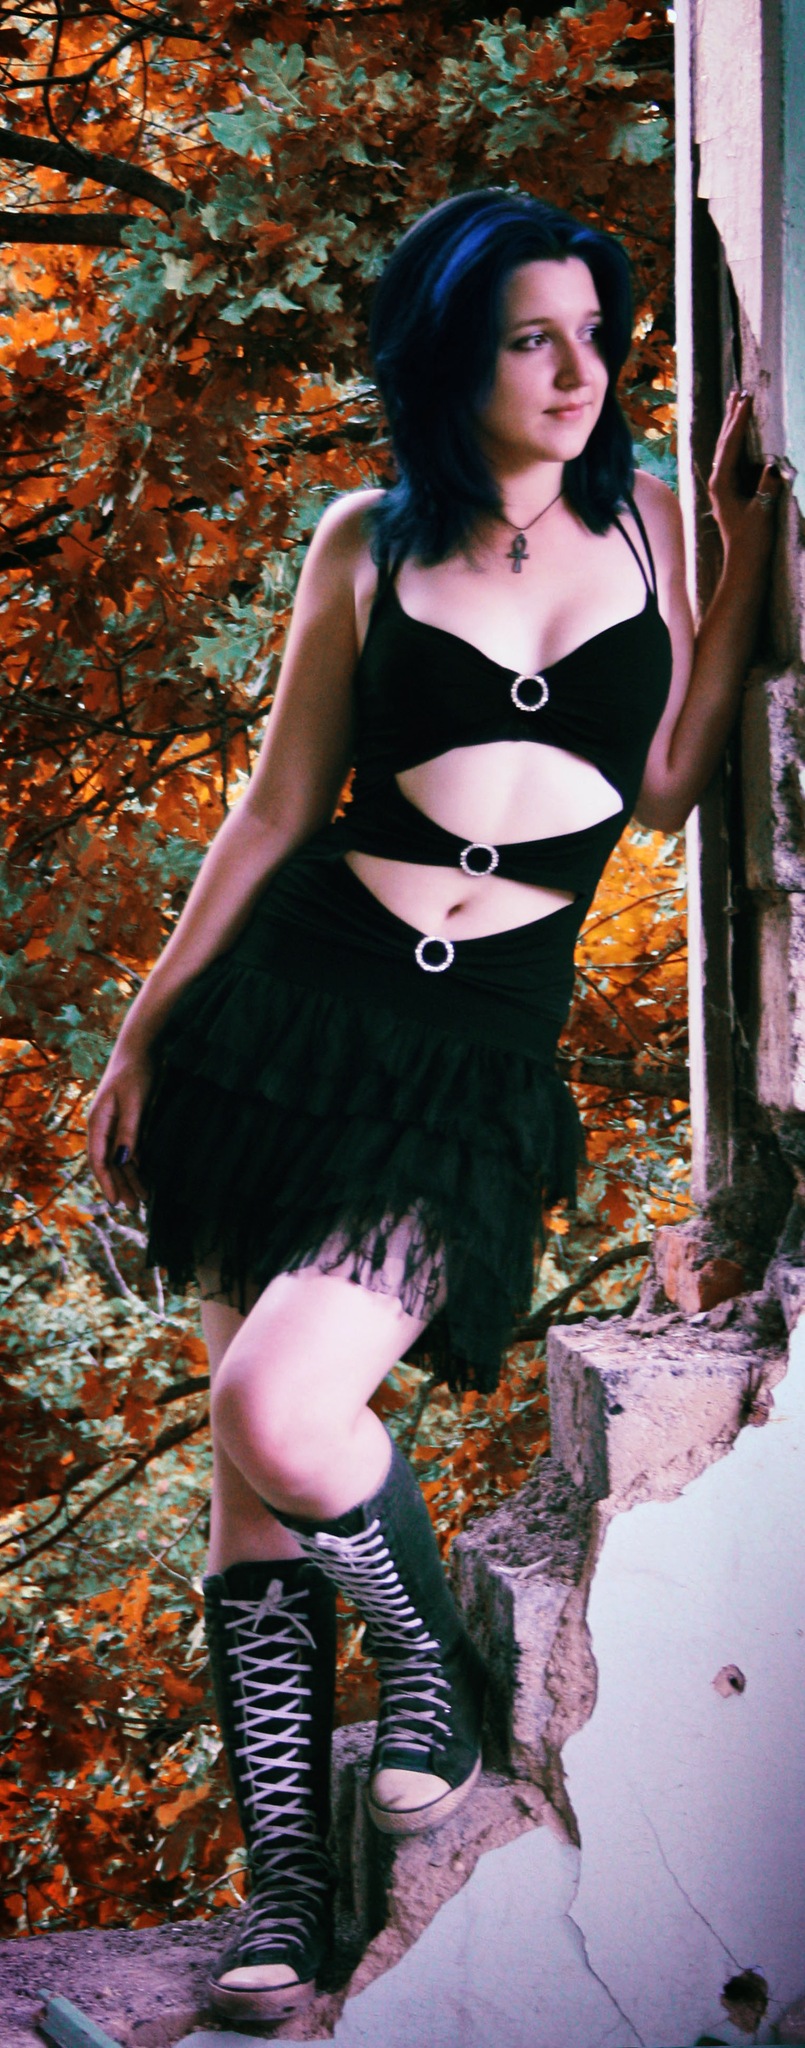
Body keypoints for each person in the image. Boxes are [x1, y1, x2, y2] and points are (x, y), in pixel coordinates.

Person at [87, 189, 779, 2026]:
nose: (575, 371)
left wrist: (739, 560)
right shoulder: (364, 540)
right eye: (530, 338)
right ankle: (282, 1907)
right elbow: (273, 806)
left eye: (593, 335)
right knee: (249, 1486)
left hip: (472, 1061)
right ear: (451, 358)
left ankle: (430, 1684)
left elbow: (664, 785)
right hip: (283, 1024)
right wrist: (145, 1033)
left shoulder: (645, 521)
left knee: (283, 1407)